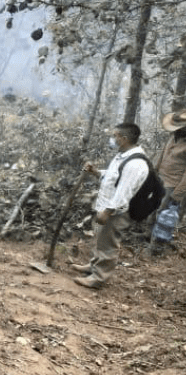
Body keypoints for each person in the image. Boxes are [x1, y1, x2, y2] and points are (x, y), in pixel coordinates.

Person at [71, 122, 149, 289]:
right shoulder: (123, 154)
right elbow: (113, 177)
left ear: (124, 139)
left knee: (109, 244)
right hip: (108, 205)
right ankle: (93, 266)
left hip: (117, 211)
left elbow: (124, 191)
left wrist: (107, 211)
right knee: (101, 239)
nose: (113, 139)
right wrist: (96, 172)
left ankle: (98, 278)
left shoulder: (136, 163)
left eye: (115, 136)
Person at [145, 109, 186, 255]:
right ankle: (147, 239)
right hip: (161, 179)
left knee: (164, 218)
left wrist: (178, 194)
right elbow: (163, 154)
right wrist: (154, 172)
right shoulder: (173, 136)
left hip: (174, 185)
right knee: (153, 211)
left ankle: (156, 249)